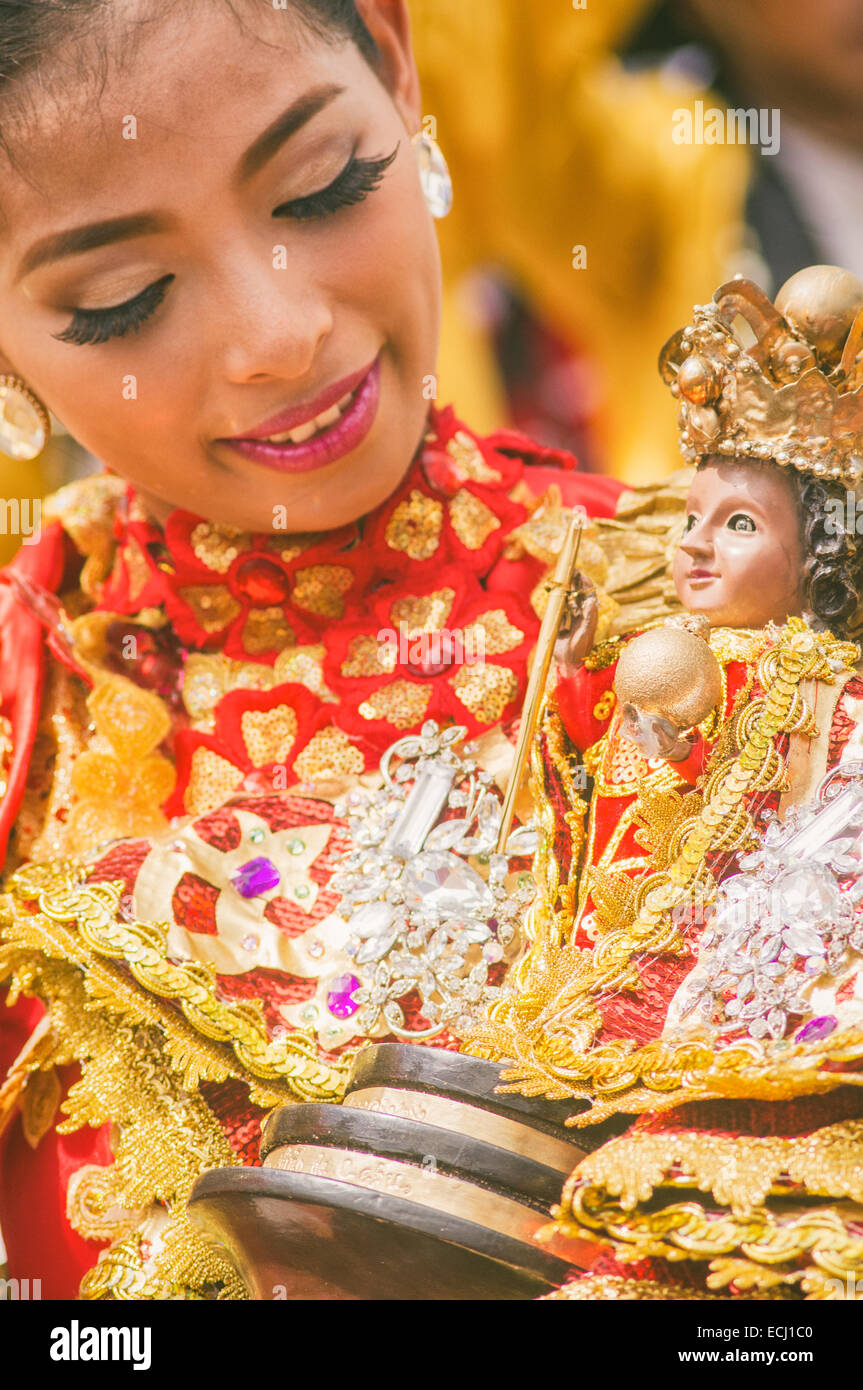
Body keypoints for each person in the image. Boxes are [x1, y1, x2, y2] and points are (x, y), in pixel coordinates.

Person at [0, 0, 623, 1300]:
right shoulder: (28, 718)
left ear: (397, 76)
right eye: (123, 301)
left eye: (324, 185)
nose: (278, 333)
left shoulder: (727, 651)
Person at [470, 264, 863, 1300]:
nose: (692, 543)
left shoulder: (818, 683)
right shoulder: (688, 655)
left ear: (817, 552)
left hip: (762, 988)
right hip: (640, 969)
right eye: (690, 516)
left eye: (736, 525)